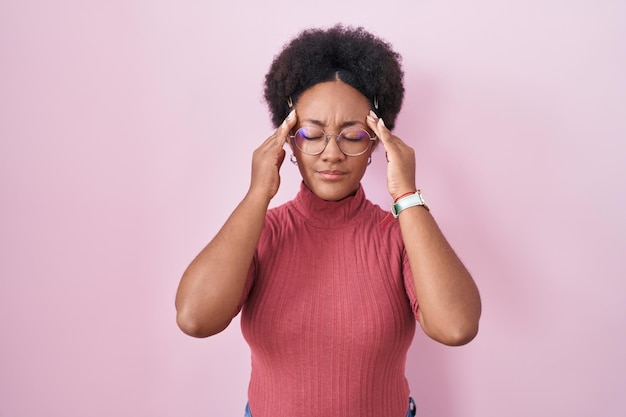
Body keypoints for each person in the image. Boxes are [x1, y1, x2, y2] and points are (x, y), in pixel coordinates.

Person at [175, 25, 481, 417]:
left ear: (376, 142)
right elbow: (195, 318)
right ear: (287, 140)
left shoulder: (401, 235)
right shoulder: (262, 232)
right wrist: (257, 194)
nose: (331, 153)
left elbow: (456, 327)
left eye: (352, 136)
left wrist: (406, 192)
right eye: (311, 133)